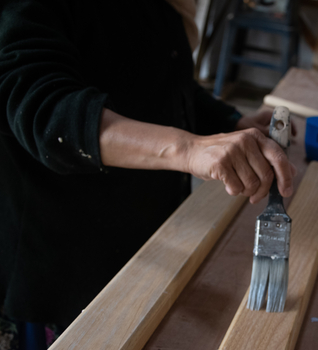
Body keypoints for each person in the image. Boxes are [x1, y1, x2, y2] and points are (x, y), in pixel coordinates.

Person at [0, 0, 296, 348]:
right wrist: (186, 148)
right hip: (60, 267)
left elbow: (168, 84)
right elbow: (46, 110)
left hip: (147, 248)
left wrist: (231, 122)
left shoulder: (163, 8)